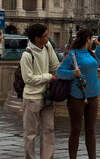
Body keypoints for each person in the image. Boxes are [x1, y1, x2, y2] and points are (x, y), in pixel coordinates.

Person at [57, 29, 100, 159]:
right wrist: (73, 73)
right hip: (77, 97)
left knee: (91, 130)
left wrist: (99, 48)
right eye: (91, 38)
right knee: (76, 130)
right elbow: (59, 72)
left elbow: (97, 64)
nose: (92, 41)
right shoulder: (73, 54)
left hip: (93, 96)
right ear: (87, 39)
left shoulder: (90, 53)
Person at [21, 23, 60, 159]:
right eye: (45, 36)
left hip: (47, 95)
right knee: (30, 133)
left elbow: (55, 65)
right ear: (36, 38)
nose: (47, 38)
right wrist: (48, 76)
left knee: (49, 130)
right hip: (32, 97)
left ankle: (47, 157)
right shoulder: (27, 55)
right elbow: (28, 79)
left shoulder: (47, 46)